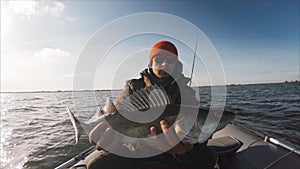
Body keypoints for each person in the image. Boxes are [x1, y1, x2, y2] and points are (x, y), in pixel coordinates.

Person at [88, 40, 217, 169]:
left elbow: (196, 131)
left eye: (170, 60)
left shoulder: (187, 92)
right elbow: (117, 115)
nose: (165, 64)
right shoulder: (132, 87)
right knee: (95, 166)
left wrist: (186, 151)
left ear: (176, 65)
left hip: (171, 155)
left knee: (208, 158)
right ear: (151, 63)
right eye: (159, 59)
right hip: (135, 151)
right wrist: (109, 142)